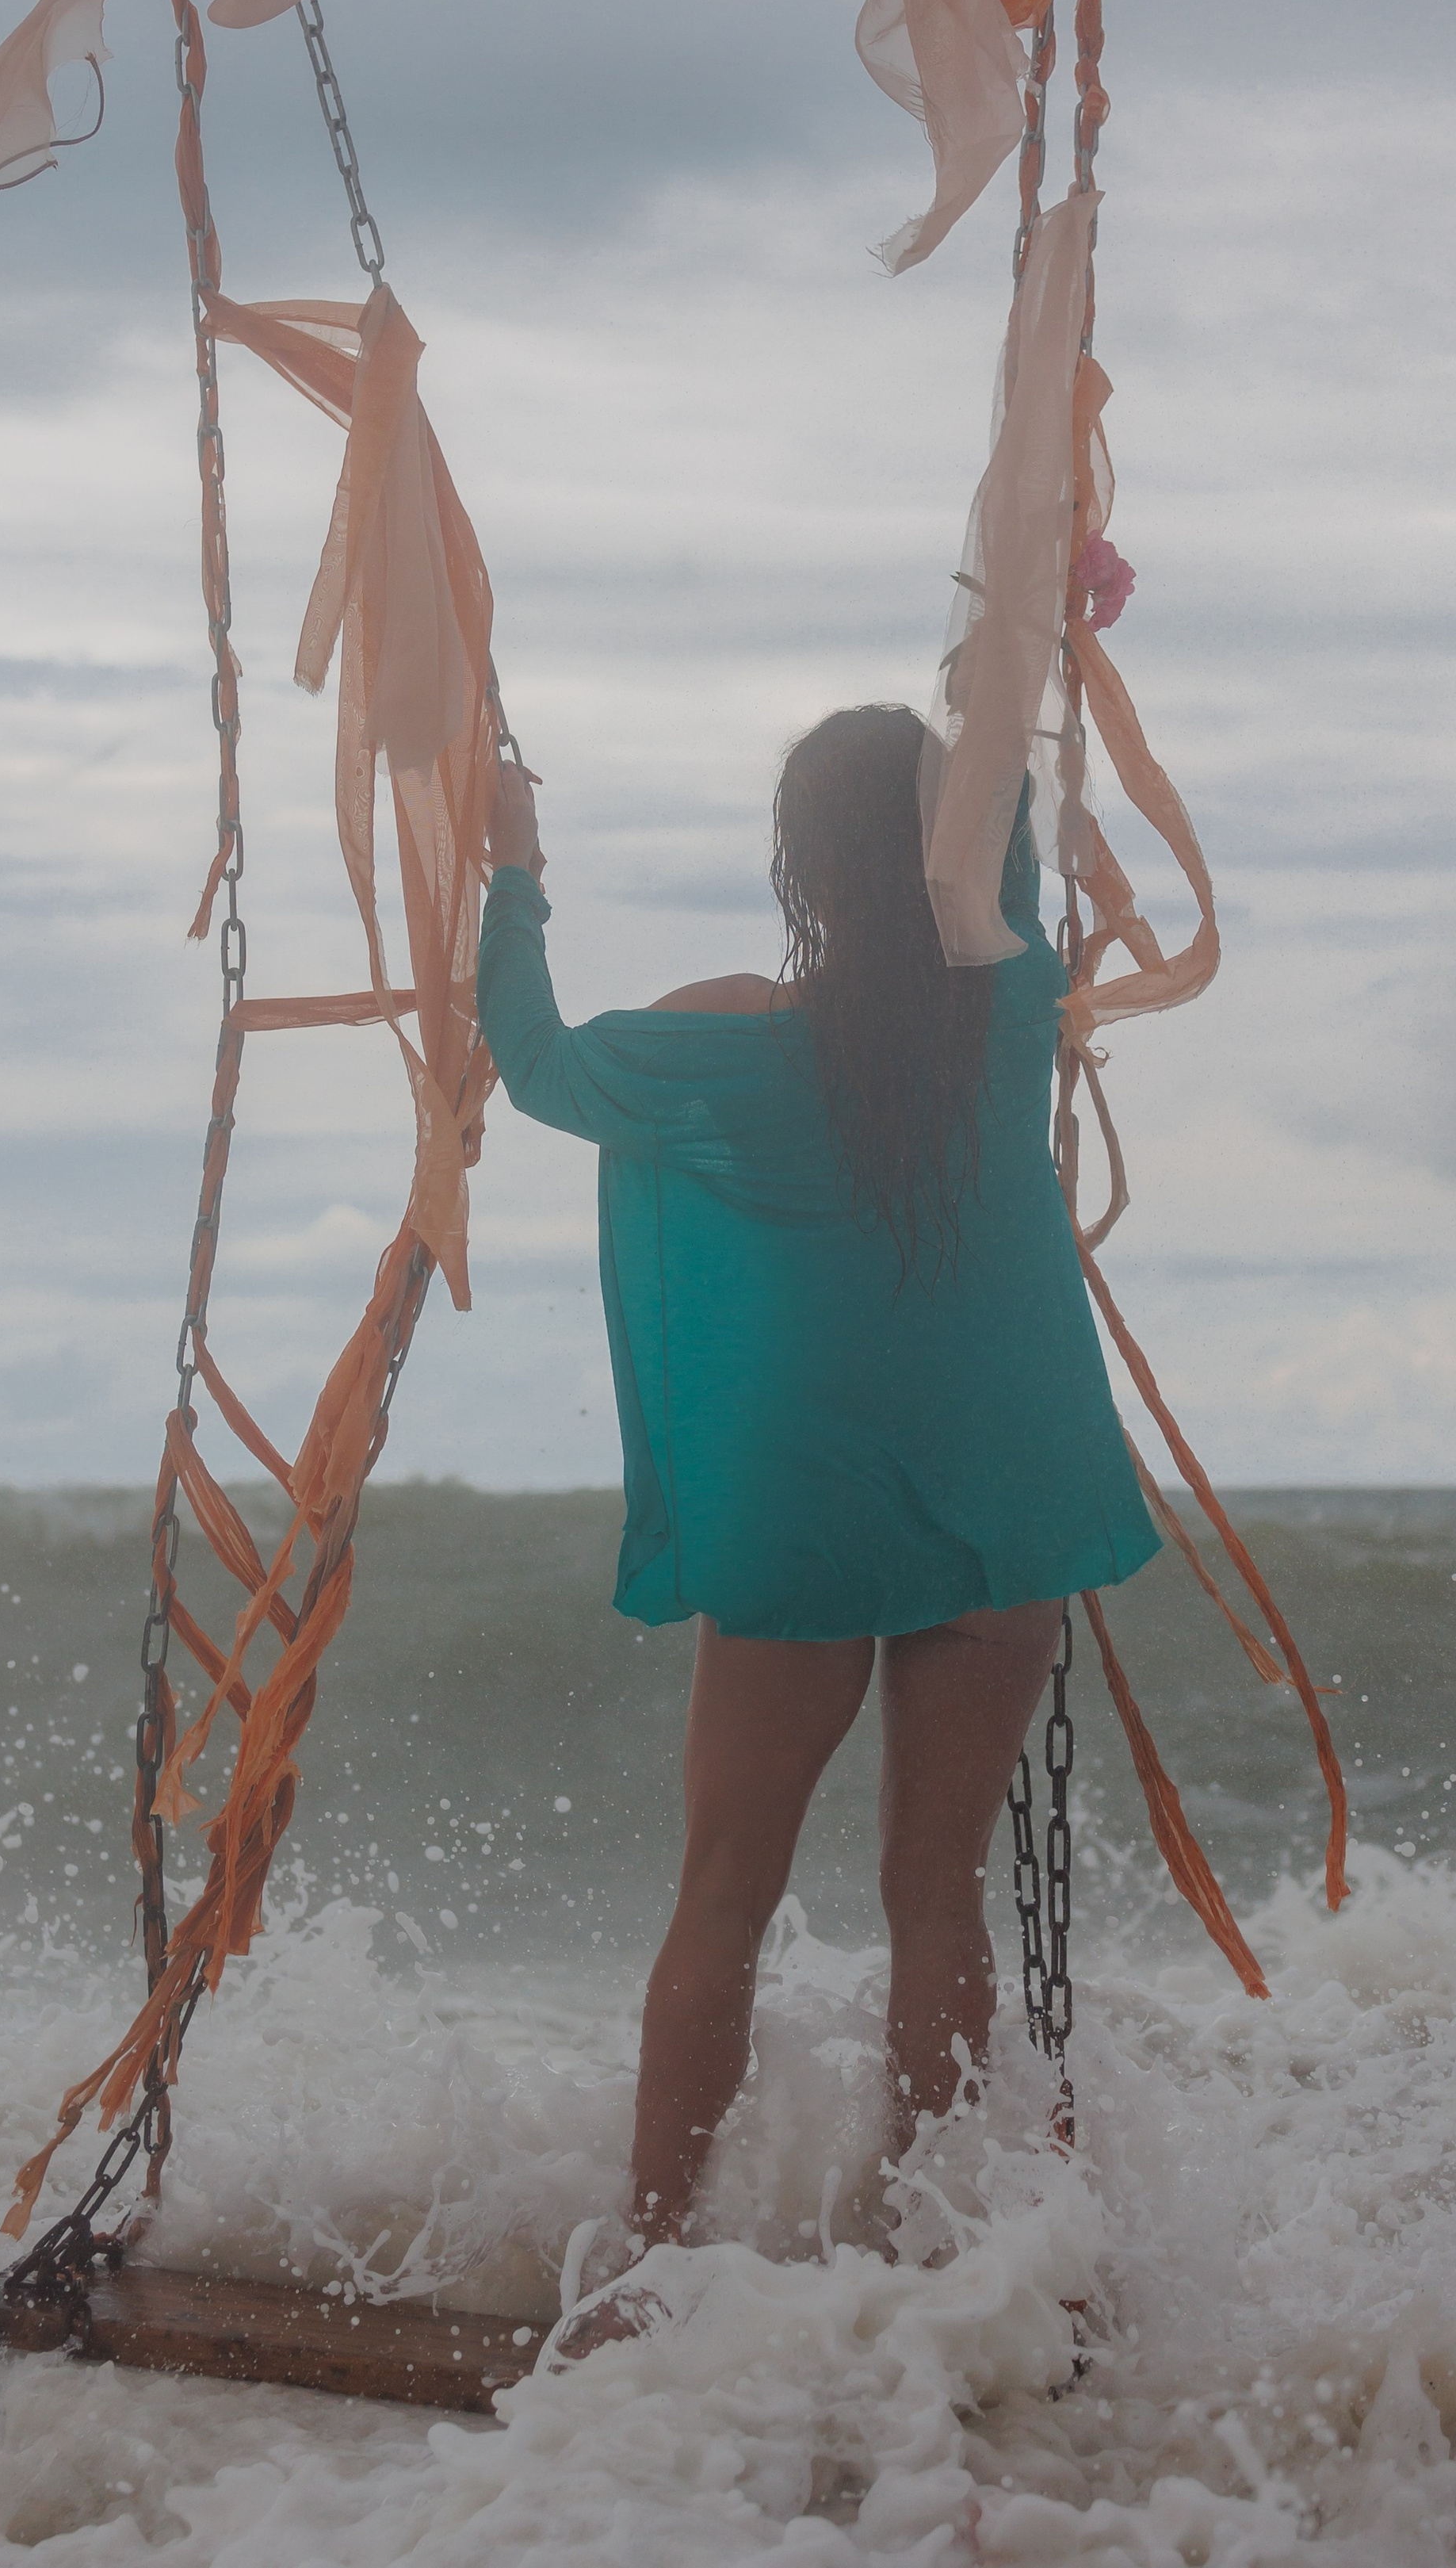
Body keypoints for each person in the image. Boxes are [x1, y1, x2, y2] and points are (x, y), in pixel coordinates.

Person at [475, 702, 1157, 2312]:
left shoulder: (718, 1043)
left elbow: (535, 1060)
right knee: (937, 1895)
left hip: (804, 1514)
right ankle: (922, 2253)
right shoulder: (1010, 1010)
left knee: (725, 1888)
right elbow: (1000, 845)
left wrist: (515, 864)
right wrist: (1017, 674)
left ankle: (651, 2253)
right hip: (997, 1501)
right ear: (955, 850)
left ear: (799, 866)